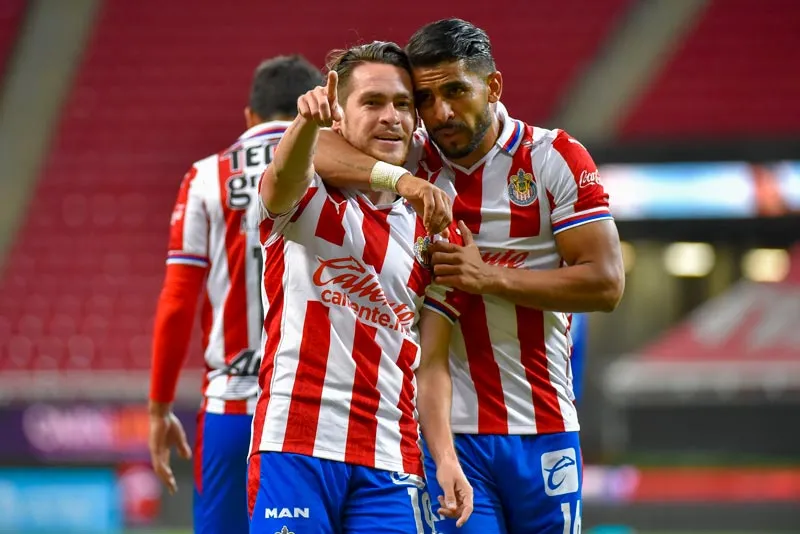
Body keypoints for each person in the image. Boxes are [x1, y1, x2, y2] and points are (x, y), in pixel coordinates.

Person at [309, 18, 625, 534]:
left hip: (543, 424)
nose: (441, 113)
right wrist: (404, 180)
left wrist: (489, 279)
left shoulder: (553, 159)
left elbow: (606, 284)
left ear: (493, 86)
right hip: (450, 434)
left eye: (456, 91)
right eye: (426, 99)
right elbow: (316, 151)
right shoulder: (413, 154)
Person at [247, 41, 473, 534]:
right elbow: (285, 175)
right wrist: (305, 124)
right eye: (372, 103)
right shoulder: (308, 198)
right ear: (338, 118)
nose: (391, 116)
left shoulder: (432, 226)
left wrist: (446, 458)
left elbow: (430, 363)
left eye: (402, 104)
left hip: (391, 455)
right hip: (297, 444)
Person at [148, 55, 323, 534]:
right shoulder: (333, 169)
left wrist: (160, 407)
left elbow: (178, 302)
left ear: (250, 116)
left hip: (233, 403)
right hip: (315, 412)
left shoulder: (206, 177)